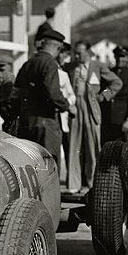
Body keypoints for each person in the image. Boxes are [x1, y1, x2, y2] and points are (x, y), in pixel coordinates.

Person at [65, 40, 122, 193]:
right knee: (74, 146)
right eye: (75, 53)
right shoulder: (70, 67)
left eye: (80, 53)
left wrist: (104, 96)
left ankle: (92, 184)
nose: (77, 56)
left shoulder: (98, 66)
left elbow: (117, 82)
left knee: (92, 147)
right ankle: (73, 185)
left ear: (88, 52)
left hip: (91, 109)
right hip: (75, 109)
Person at [13, 25, 70, 160]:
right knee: (49, 165)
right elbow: (53, 93)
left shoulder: (28, 63)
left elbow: (16, 90)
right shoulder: (50, 63)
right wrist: (68, 106)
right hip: (46, 124)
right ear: (58, 48)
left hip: (27, 122)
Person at [101, 45, 128, 145]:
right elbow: (104, 90)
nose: (120, 59)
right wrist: (106, 93)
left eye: (123, 56)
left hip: (121, 118)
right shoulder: (109, 72)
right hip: (106, 117)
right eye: (117, 56)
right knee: (105, 147)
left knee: (119, 148)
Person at [56, 42, 77, 184]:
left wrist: (67, 104)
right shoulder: (49, 70)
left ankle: (71, 180)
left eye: (66, 54)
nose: (64, 56)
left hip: (63, 117)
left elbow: (72, 95)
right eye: (62, 53)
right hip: (51, 117)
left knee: (69, 148)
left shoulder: (64, 73)